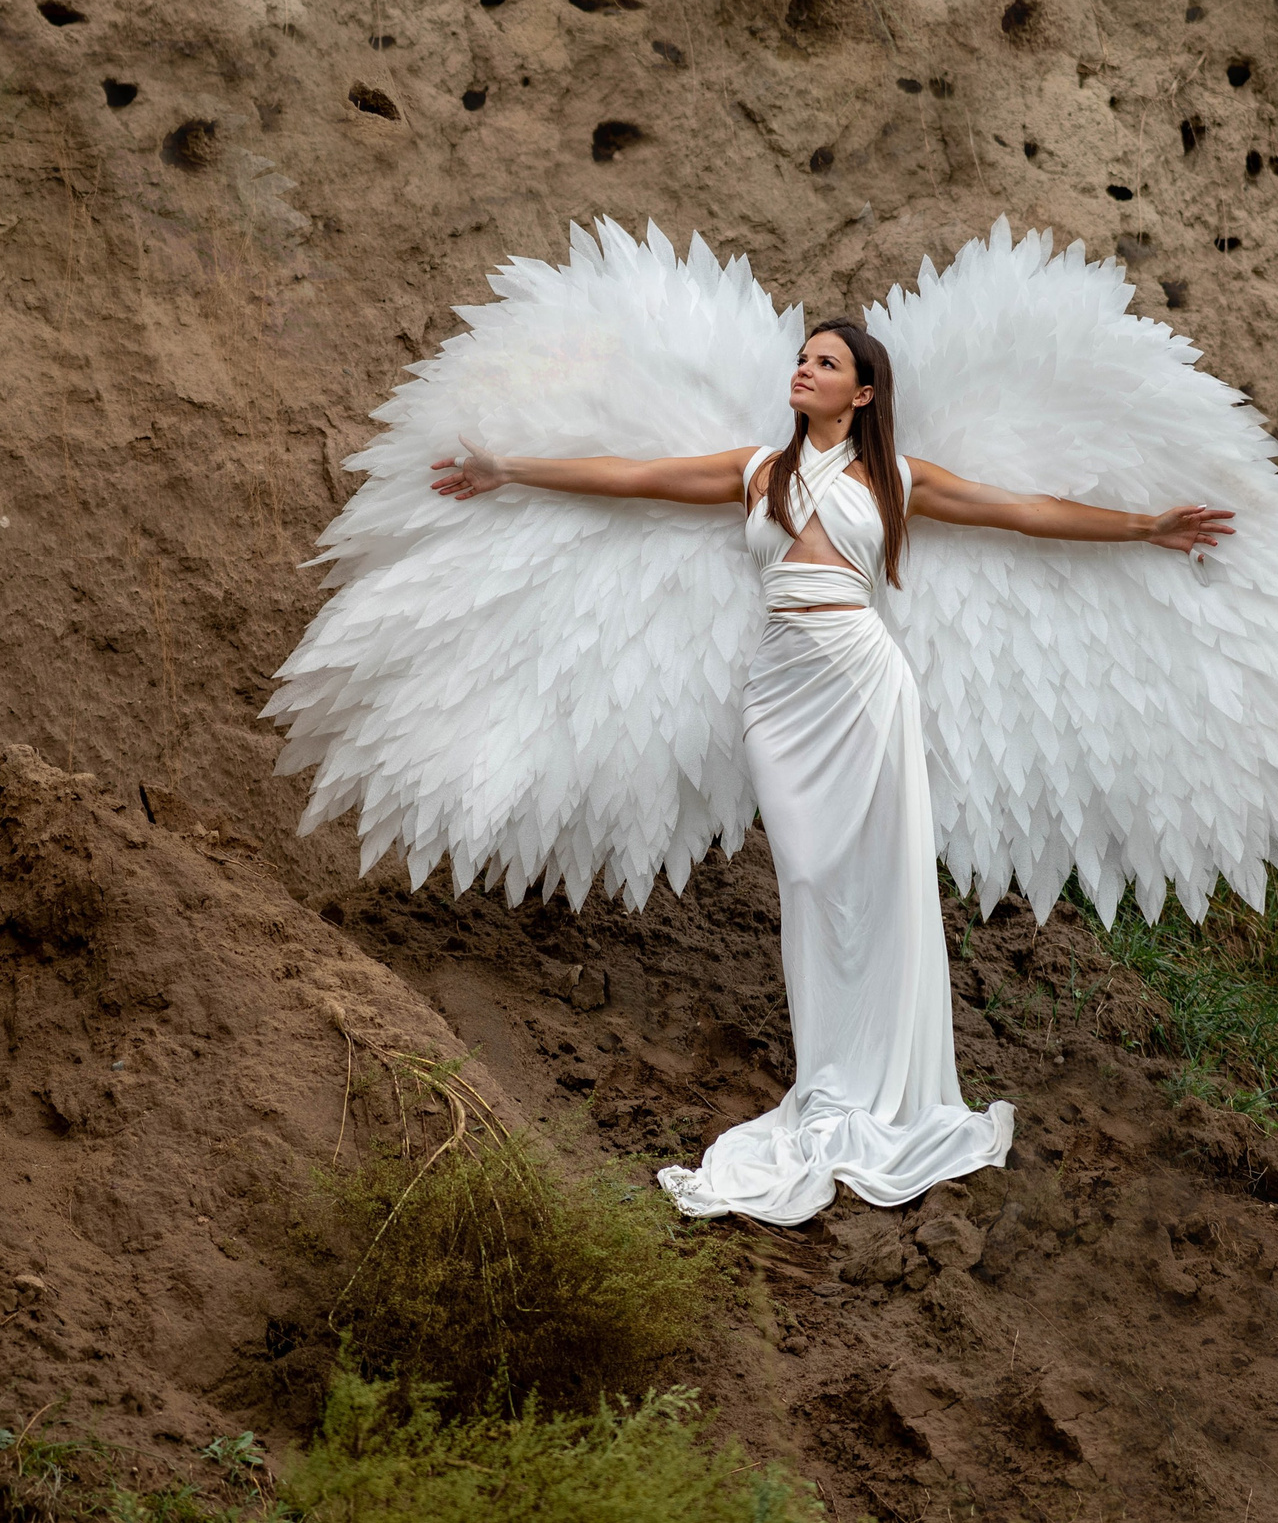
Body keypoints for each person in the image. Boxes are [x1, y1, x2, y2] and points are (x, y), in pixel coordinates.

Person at [426, 318, 1234, 1225]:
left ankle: (877, 1088)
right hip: (779, 691)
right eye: (802, 357)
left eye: (826, 362)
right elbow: (632, 476)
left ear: (864, 392)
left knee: (883, 881)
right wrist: (509, 469)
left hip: (864, 680)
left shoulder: (897, 479)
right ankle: (831, 1077)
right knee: (808, 878)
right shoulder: (756, 471)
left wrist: (1146, 526)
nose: (804, 369)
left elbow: (1025, 510)